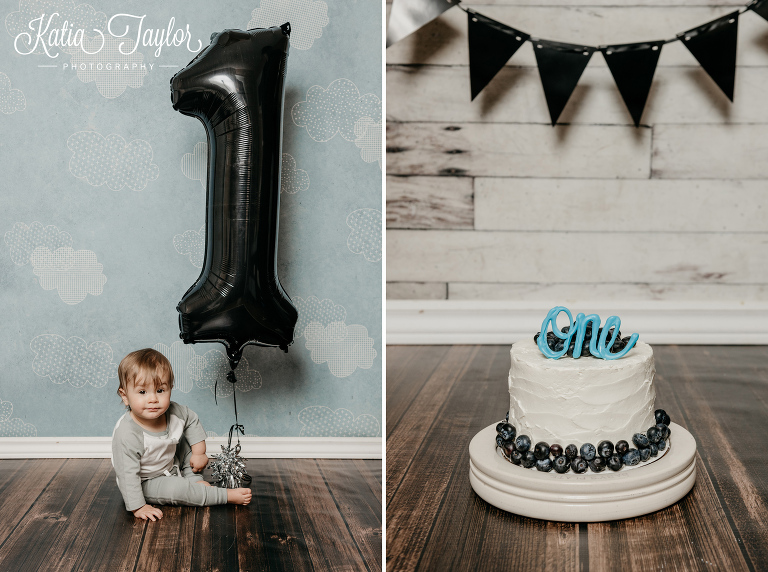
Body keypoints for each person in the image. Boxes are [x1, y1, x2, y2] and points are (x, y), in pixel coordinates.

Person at [111, 348, 252, 521]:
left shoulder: (174, 411)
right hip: (146, 480)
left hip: (169, 461)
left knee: (186, 442)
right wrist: (138, 506)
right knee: (177, 490)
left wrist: (199, 452)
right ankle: (225, 496)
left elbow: (191, 419)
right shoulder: (128, 434)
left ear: (170, 388)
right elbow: (127, 476)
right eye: (142, 392)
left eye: (160, 390)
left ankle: (192, 476)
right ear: (125, 396)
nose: (153, 399)